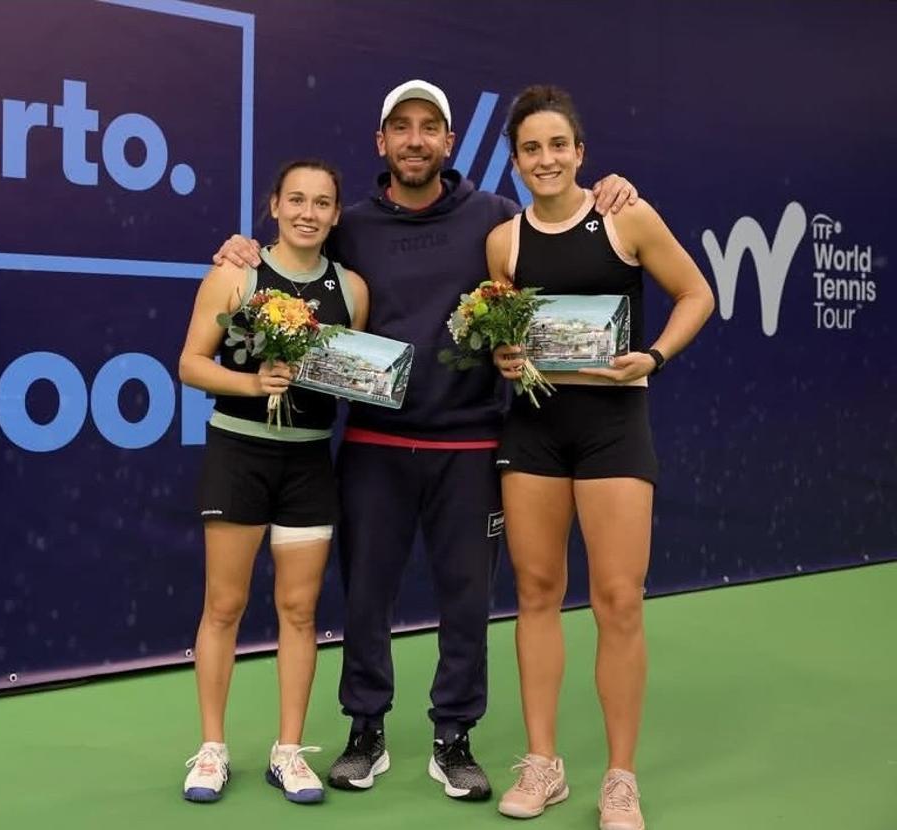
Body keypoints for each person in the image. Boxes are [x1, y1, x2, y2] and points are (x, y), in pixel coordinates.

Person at [215, 80, 637, 801]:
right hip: (373, 446)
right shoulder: (346, 224)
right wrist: (239, 251)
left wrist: (610, 194)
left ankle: (455, 736)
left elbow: (559, 227)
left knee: (468, 600)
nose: (416, 139)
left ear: (449, 141)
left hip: (472, 448)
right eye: (401, 128)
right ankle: (365, 730)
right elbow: (293, 257)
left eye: (430, 127)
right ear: (382, 143)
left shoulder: (497, 218)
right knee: (366, 596)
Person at [485, 85, 714, 829]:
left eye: (558, 146)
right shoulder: (504, 242)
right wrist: (506, 355)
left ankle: (620, 779)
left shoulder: (626, 217)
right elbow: (502, 335)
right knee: (538, 591)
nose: (545, 159)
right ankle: (544, 765)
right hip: (534, 435)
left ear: (580, 153)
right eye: (530, 149)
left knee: (618, 600)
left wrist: (653, 355)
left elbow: (696, 295)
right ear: (515, 160)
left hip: (615, 431)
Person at [178, 159, 369, 805]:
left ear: (336, 215)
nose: (308, 212)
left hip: (309, 465)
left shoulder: (353, 289)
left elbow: (351, 376)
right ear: (275, 206)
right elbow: (190, 364)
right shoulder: (237, 272)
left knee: (299, 611)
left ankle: (289, 752)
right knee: (224, 607)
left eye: (321, 203)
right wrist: (254, 383)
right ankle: (212, 750)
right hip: (239, 455)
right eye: (296, 200)